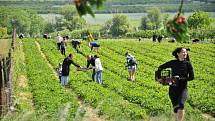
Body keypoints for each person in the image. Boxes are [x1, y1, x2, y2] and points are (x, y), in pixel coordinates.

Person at [155, 47, 194, 121]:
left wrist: (180, 78)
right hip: (173, 88)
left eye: (185, 52)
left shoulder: (188, 64)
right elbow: (160, 67)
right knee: (176, 108)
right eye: (183, 52)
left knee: (181, 104)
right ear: (178, 54)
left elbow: (191, 77)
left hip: (183, 88)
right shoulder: (173, 62)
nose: (185, 53)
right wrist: (159, 78)